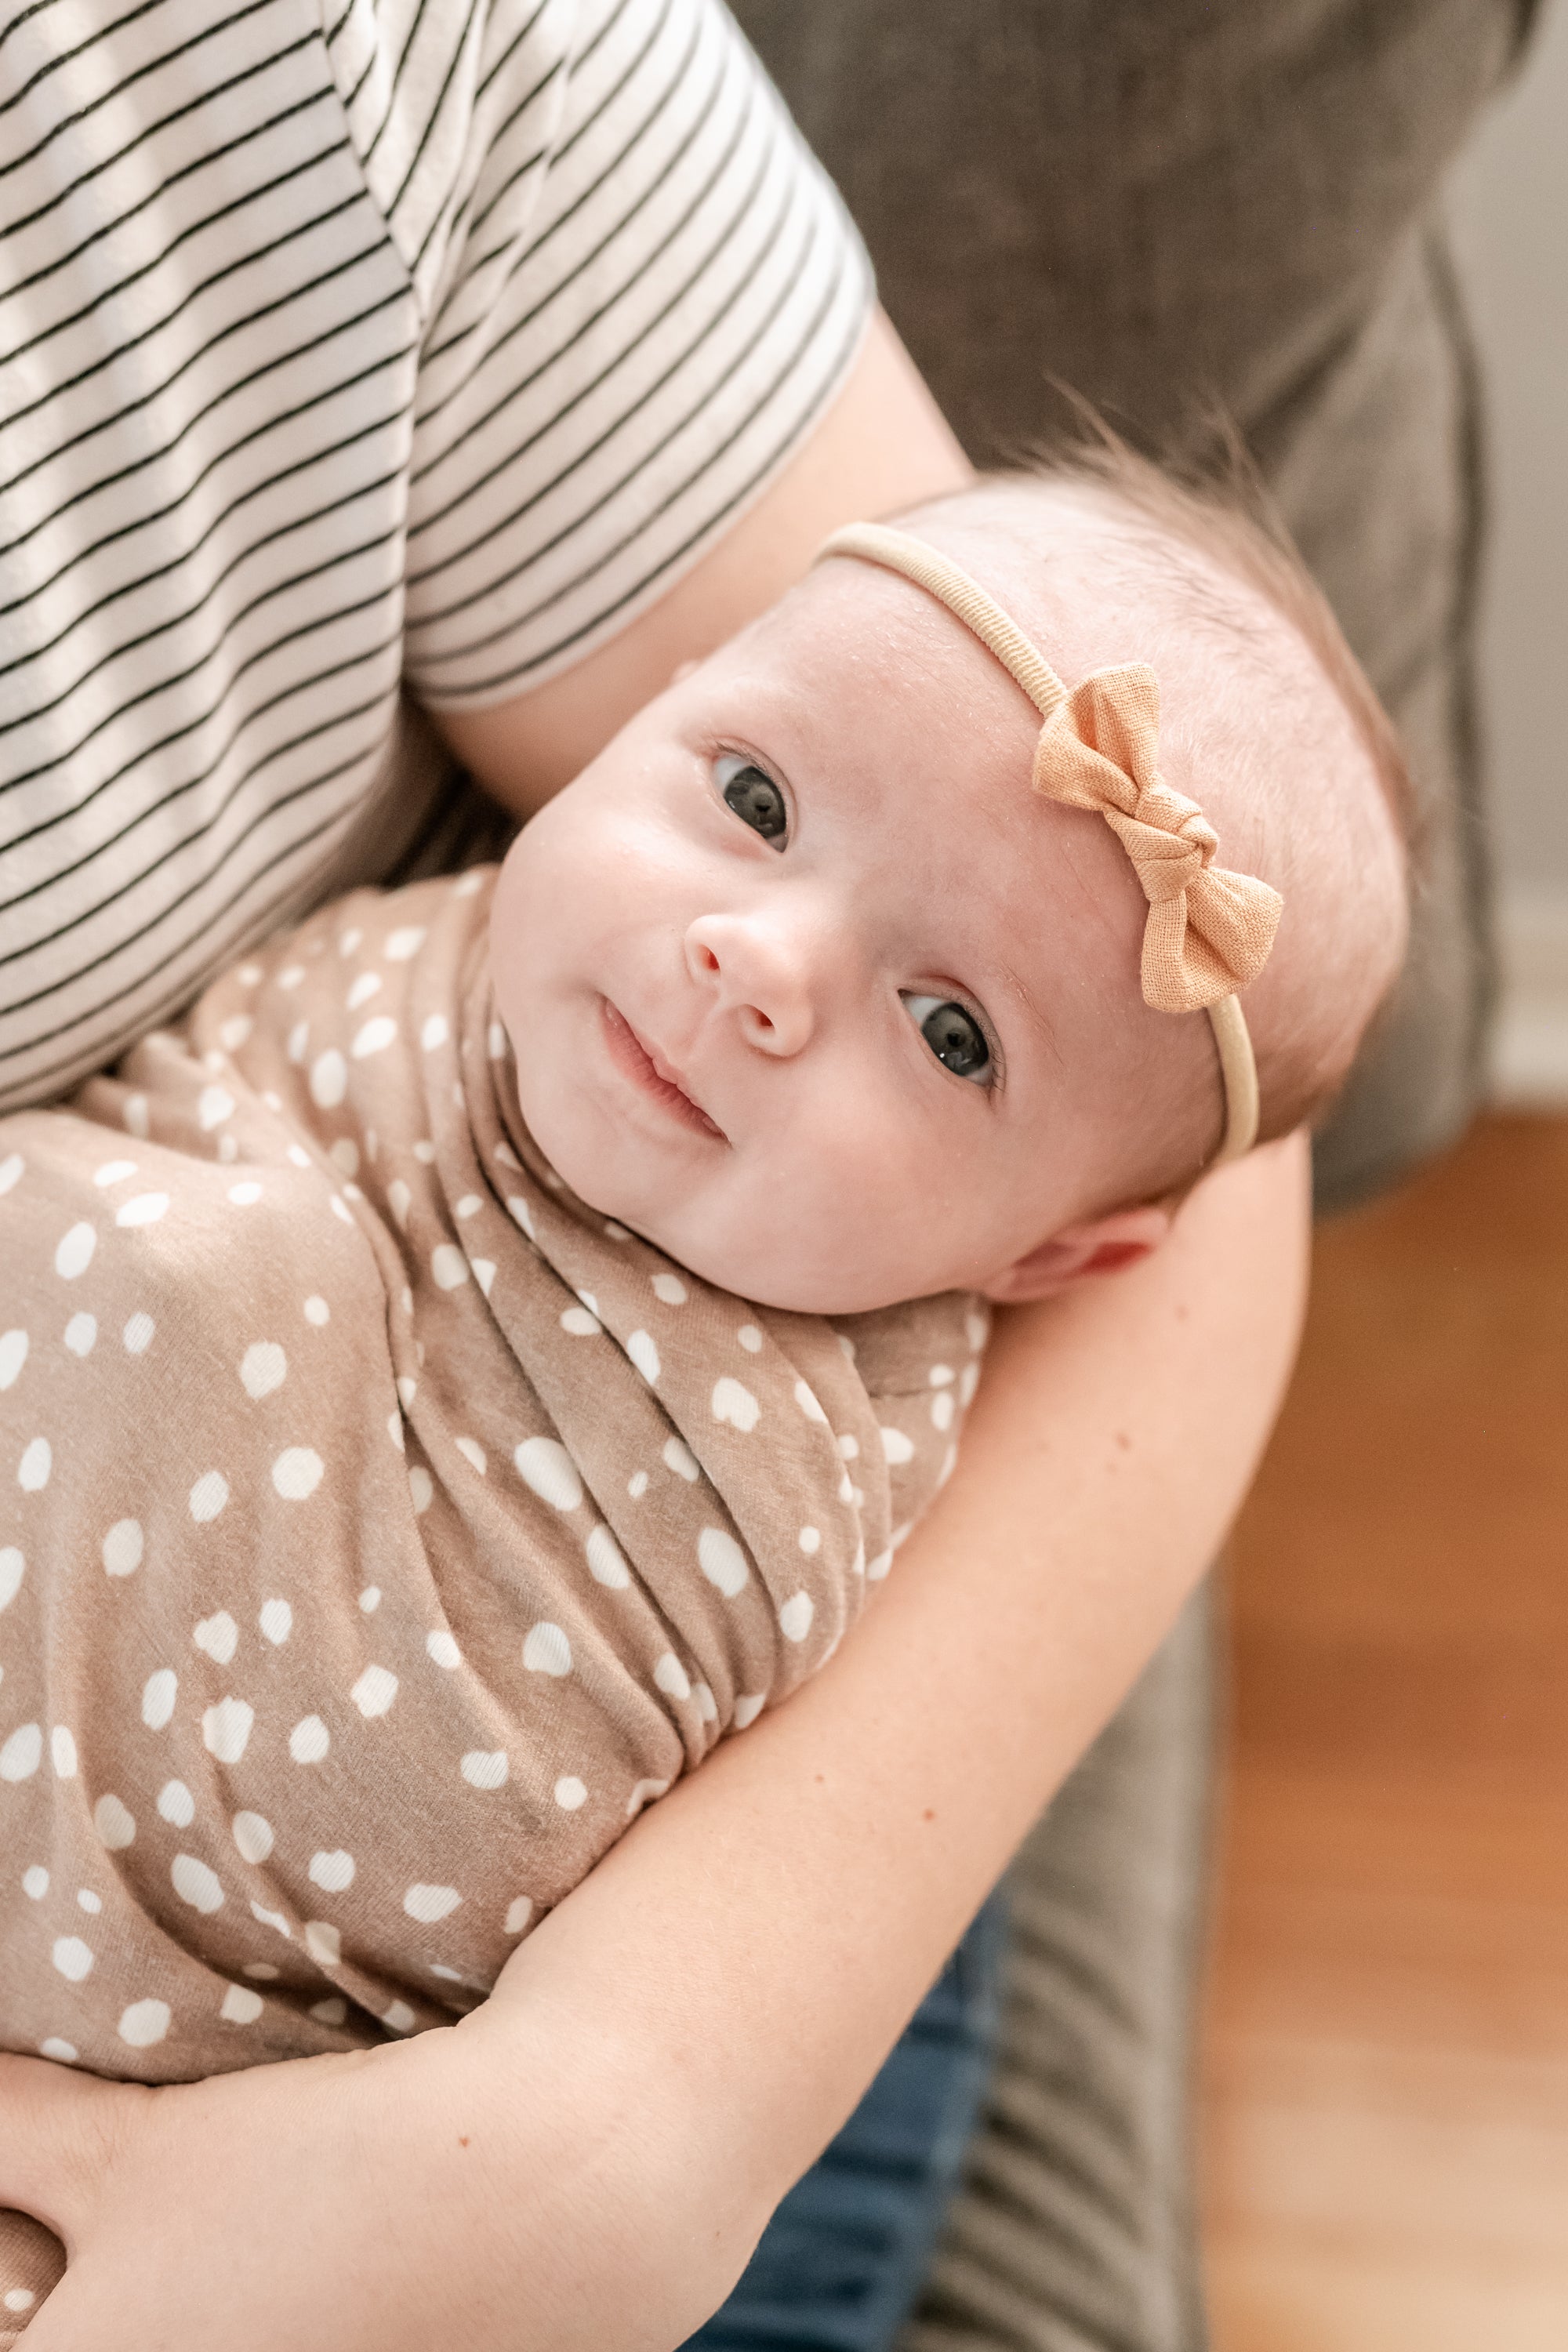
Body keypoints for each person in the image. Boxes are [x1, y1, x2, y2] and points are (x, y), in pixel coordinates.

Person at [0, 3, 1338, 2348]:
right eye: (748, 804)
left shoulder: (752, 1484)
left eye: (949, 1031)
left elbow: (448, 1838)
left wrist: (633, 2116)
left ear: (1050, 1245)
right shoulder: (432, 1000)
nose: (752, 969)